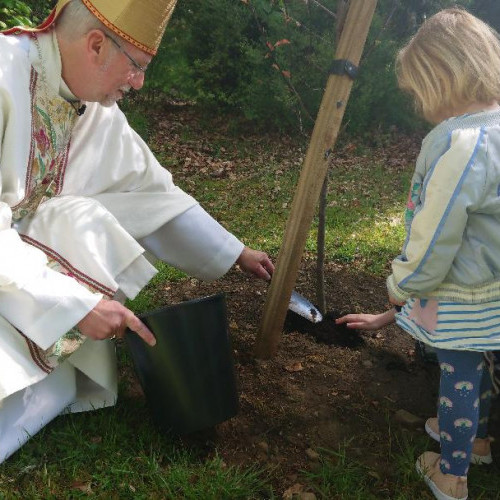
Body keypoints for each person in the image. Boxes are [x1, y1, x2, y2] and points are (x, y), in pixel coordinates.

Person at [0, 0, 275, 464]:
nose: (140, 82)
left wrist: (234, 252)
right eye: (137, 66)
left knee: (82, 221)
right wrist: (74, 304)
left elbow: (149, 188)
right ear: (94, 45)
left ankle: (41, 377)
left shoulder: (87, 103)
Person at [340, 8, 500, 499]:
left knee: (460, 376)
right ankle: (480, 440)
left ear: (439, 78)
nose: (416, 104)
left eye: (415, 91)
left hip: (464, 292)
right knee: (490, 364)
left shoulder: (462, 143)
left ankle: (451, 474)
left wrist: (400, 287)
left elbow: (435, 238)